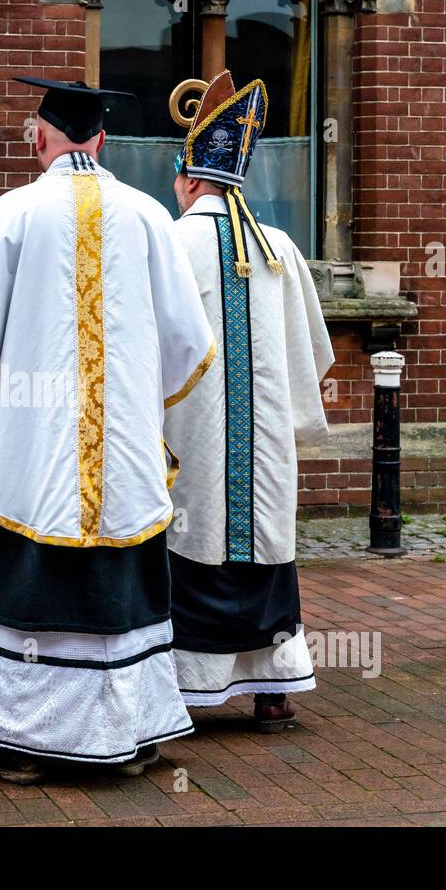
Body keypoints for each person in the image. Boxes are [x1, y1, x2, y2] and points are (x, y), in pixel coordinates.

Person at [0, 76, 216, 784]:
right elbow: (189, 343)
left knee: (20, 568)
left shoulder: (10, 214)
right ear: (103, 141)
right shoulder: (150, 218)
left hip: (32, 455)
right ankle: (133, 732)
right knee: (125, 567)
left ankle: (9, 740)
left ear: (38, 139)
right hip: (123, 457)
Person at [164, 71, 334, 730]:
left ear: (192, 178)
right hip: (265, 457)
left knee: (194, 538)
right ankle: (274, 688)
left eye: (178, 178)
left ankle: (191, 685)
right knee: (264, 540)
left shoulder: (173, 243)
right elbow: (315, 354)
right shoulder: (281, 250)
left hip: (192, 446)